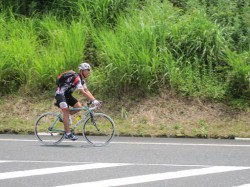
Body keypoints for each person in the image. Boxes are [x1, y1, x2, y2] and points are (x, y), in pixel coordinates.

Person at [55, 62, 100, 141]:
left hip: (67, 95)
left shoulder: (82, 80)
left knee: (79, 107)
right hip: (60, 95)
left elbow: (86, 90)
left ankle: (65, 118)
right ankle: (68, 134)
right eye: (87, 70)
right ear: (82, 71)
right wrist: (92, 100)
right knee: (65, 110)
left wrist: (94, 100)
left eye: (89, 70)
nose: (89, 72)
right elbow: (82, 91)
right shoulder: (77, 78)